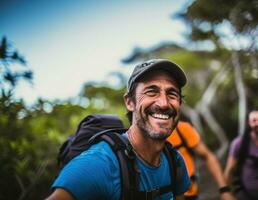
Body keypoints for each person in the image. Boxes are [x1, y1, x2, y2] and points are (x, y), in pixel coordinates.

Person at [46, 59, 191, 200]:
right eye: (151, 92)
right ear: (129, 102)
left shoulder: (175, 161)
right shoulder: (99, 164)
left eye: (172, 94)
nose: (164, 103)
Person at [167, 116, 235, 200]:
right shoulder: (147, 138)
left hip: (190, 195)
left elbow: (208, 156)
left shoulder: (181, 128)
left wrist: (224, 190)